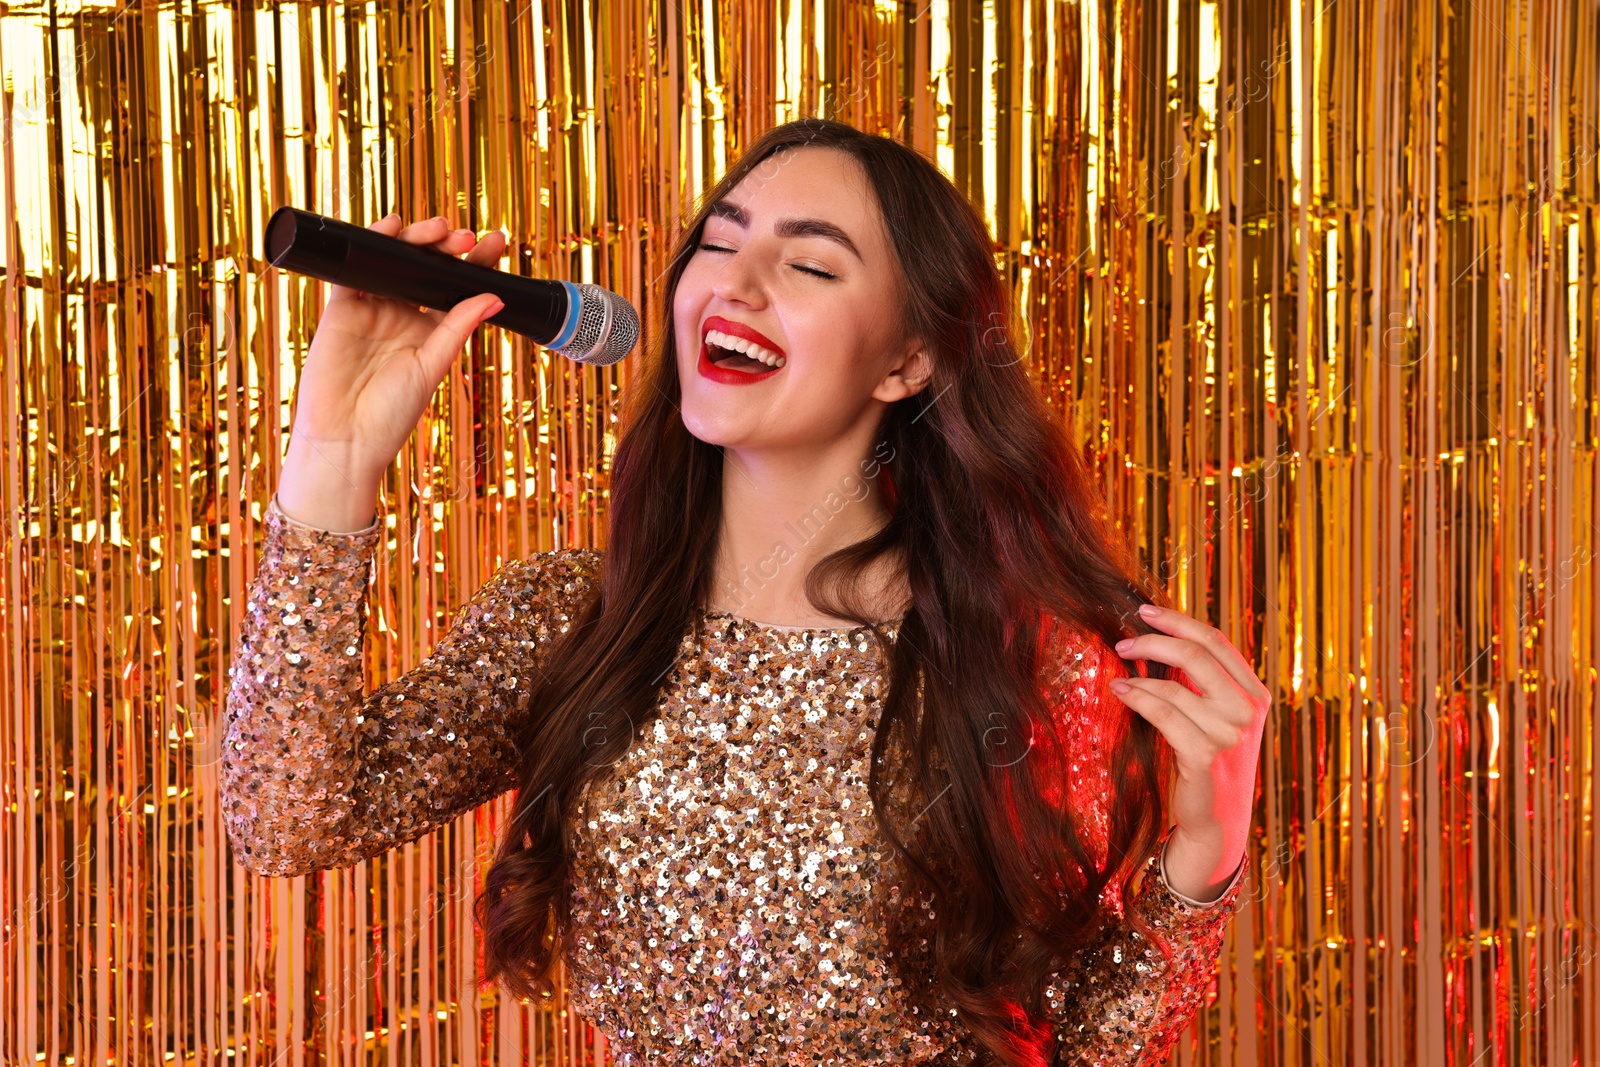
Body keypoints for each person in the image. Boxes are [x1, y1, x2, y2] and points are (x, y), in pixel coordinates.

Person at [221, 117, 1269, 1067]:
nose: (737, 281)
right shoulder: (570, 619)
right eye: (717, 244)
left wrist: (1202, 858)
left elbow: (1079, 1046)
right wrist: (331, 458)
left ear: (907, 358)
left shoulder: (1021, 660)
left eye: (807, 261)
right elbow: (285, 818)